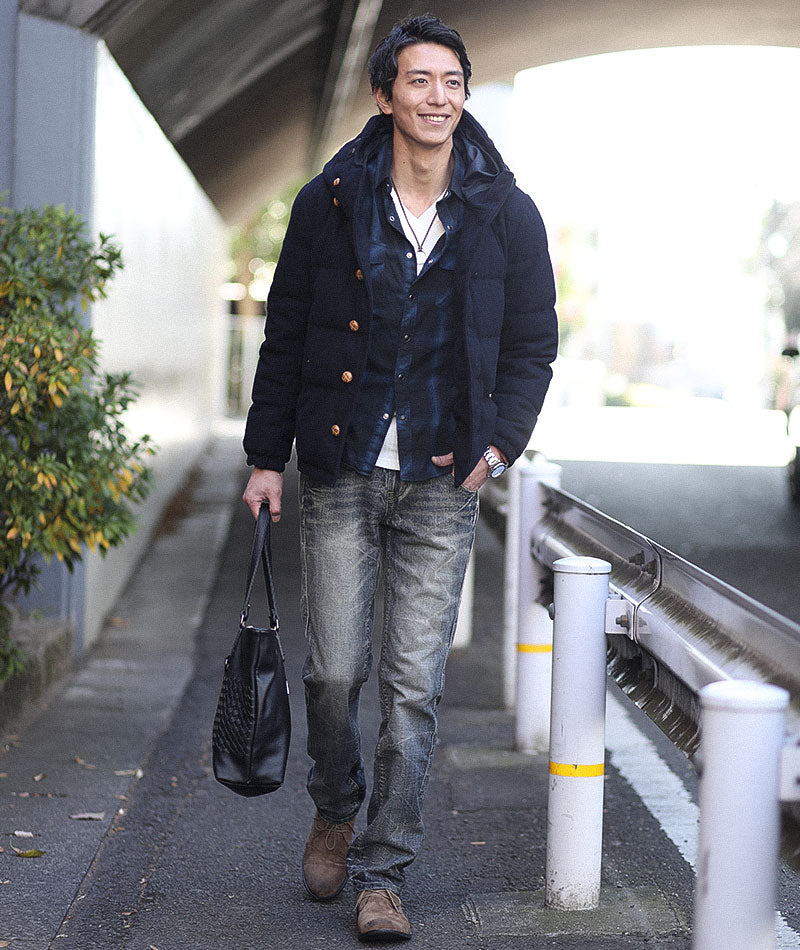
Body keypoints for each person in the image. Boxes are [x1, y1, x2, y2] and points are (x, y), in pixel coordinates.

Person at [242, 14, 558, 942]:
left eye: (452, 82)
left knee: (413, 691)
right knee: (335, 673)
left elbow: (532, 347)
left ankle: (383, 874)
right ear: (385, 95)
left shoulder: (506, 213)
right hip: (341, 470)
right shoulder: (330, 201)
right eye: (420, 81)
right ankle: (335, 803)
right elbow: (287, 332)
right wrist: (265, 457)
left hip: (440, 483)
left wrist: (497, 448)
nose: (438, 97)